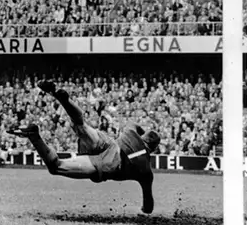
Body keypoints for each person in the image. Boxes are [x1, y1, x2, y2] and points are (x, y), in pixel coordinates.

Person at [8, 81, 159, 215]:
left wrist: (140, 133)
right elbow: (148, 207)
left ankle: (62, 99)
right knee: (57, 167)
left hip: (109, 143)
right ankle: (34, 136)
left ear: (143, 137)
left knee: (80, 124)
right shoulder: (146, 172)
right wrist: (144, 210)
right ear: (152, 149)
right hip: (109, 163)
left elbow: (134, 124)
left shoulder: (131, 131)